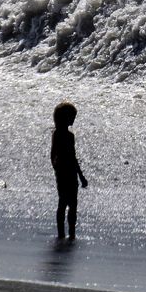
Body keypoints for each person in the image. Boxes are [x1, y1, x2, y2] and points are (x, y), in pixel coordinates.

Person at [50, 101, 88, 239]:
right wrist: (57, 169)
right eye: (72, 117)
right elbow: (53, 154)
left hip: (71, 172)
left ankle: (71, 232)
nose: (73, 120)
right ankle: (61, 233)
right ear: (64, 118)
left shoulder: (71, 136)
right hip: (63, 172)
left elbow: (73, 157)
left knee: (73, 204)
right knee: (63, 202)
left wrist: (80, 176)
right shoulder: (58, 134)